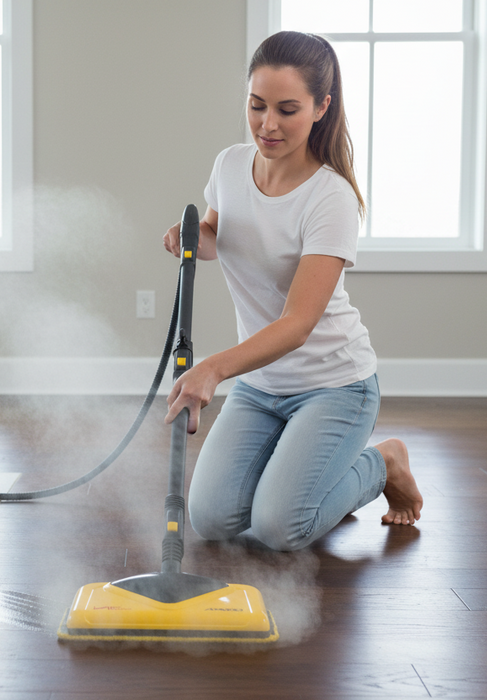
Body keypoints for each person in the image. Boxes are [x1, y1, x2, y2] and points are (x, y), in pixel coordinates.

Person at [161, 31, 423, 552]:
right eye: (257, 106)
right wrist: (192, 238)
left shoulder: (331, 198)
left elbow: (298, 324)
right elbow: (220, 236)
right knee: (212, 519)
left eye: (287, 109)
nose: (268, 124)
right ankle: (301, 472)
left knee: (282, 527)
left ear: (322, 107)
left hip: (334, 386)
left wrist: (212, 368)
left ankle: (382, 461)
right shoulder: (230, 165)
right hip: (262, 386)